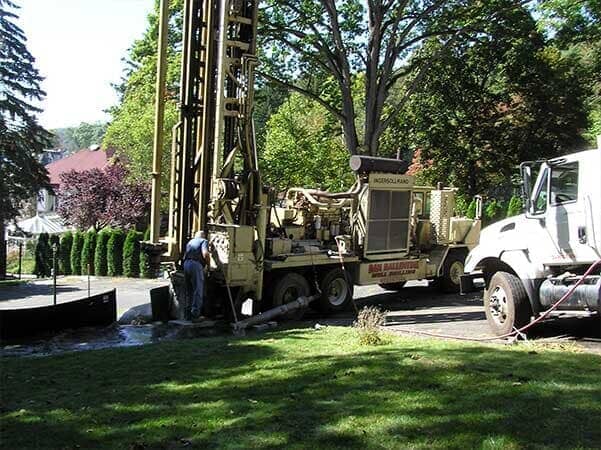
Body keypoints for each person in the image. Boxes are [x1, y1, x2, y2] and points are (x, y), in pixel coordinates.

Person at [183, 231, 210, 320]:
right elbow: (205, 253)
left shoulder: (190, 242)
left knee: (189, 289)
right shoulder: (204, 241)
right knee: (198, 290)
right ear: (203, 236)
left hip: (186, 264)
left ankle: (187, 314)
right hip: (195, 265)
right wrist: (207, 265)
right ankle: (195, 315)